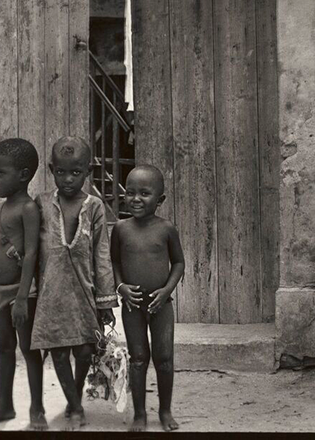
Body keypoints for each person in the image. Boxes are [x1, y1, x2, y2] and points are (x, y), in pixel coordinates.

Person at [30, 136, 118, 430]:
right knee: (58, 348)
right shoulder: (41, 203)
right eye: (61, 172)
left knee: (84, 350)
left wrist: (106, 300)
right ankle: (75, 405)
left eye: (76, 172)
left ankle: (75, 394)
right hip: (51, 291)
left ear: (88, 171)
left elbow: (102, 255)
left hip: (84, 290)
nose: (68, 179)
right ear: (52, 170)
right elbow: (29, 246)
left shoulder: (94, 207)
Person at [0, 138, 47, 430]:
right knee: (5, 347)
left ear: (24, 174)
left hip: (20, 293)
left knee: (29, 351)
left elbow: (31, 253)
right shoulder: (2, 208)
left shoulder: (27, 208)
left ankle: (37, 411)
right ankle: (5, 406)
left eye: (0, 173)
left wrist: (21, 298)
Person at [111, 165, 185, 432]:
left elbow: (178, 263)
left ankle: (165, 411)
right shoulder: (120, 228)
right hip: (133, 306)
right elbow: (115, 262)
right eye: (130, 193)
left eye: (144, 193)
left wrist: (167, 290)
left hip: (161, 305)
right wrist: (120, 287)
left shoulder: (166, 229)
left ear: (160, 200)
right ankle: (140, 414)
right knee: (138, 357)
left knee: (164, 358)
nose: (136, 199)